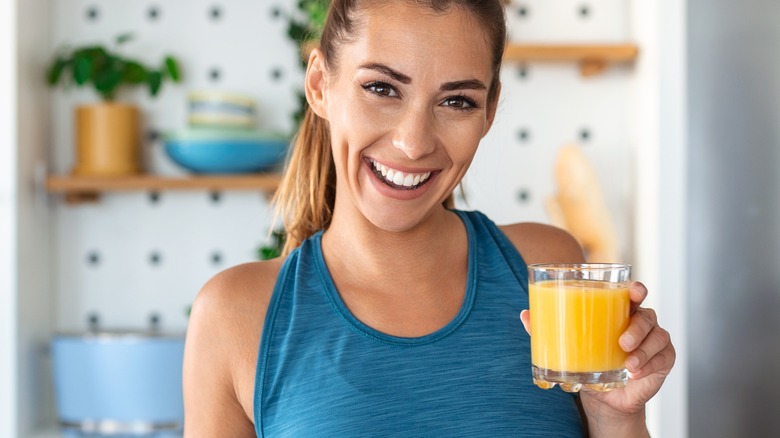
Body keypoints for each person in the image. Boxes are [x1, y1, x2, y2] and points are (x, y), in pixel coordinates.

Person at [182, 0, 676, 436]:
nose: (414, 142)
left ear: (489, 110)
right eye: (381, 88)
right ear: (319, 86)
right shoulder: (235, 316)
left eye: (457, 101)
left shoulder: (545, 270)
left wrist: (617, 418)